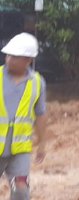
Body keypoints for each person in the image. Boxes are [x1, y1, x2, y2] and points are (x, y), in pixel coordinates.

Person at [0, 33, 47, 200]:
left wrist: (42, 144)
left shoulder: (37, 82)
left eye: (15, 56)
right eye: (8, 55)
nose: (9, 59)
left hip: (20, 151)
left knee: (20, 190)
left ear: (28, 60)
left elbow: (40, 114)